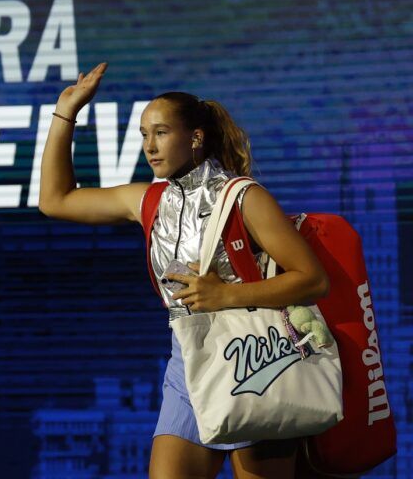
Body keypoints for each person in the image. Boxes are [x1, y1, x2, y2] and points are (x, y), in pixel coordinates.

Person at [38, 62, 331, 479]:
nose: (149, 146)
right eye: (143, 134)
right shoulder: (149, 200)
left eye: (160, 132)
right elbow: (56, 200)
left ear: (195, 138)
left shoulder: (244, 196)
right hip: (188, 357)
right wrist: (66, 112)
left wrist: (226, 295)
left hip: (255, 356)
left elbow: (313, 279)